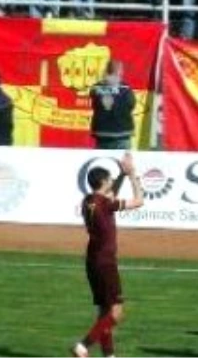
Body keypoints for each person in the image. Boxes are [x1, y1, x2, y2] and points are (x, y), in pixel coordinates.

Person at [71, 153, 145, 358]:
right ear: (103, 182)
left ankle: (109, 355)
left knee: (104, 312)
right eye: (110, 179)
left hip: (92, 260)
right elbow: (139, 201)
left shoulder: (88, 200)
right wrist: (132, 175)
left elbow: (108, 195)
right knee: (115, 313)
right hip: (106, 262)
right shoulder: (106, 204)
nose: (112, 182)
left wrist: (121, 173)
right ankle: (83, 346)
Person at [90, 60, 136, 150]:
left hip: (102, 133)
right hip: (122, 132)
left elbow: (94, 105)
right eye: (121, 70)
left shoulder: (95, 88)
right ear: (118, 72)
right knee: (121, 162)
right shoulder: (125, 88)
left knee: (104, 162)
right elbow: (131, 104)